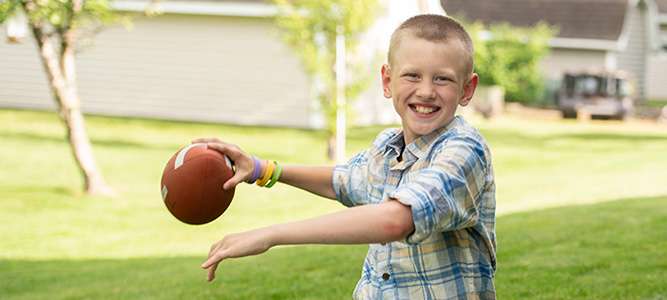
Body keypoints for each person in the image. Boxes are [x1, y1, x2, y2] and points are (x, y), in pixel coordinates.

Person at [194, 14, 497, 300]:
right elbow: (341, 181)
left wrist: (271, 234)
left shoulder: (464, 149)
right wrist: (261, 169)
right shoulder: (386, 148)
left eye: (442, 79)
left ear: (467, 89)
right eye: (412, 76)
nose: (426, 91)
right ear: (387, 81)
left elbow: (396, 220)